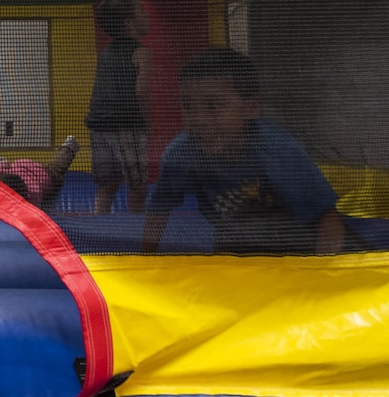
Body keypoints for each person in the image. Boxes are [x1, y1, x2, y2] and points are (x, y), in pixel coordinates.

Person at [141, 48, 347, 254]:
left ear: (252, 108)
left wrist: (323, 270)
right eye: (187, 107)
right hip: (234, 242)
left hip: (296, 244)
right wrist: (145, 261)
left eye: (213, 107)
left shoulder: (278, 150)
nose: (198, 120)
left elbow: (327, 219)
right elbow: (158, 211)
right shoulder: (181, 154)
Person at [85, 0, 152, 214]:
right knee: (138, 183)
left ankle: (99, 221)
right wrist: (147, 121)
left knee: (107, 182)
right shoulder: (140, 52)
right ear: (129, 23)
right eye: (141, 11)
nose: (146, 15)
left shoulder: (106, 52)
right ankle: (135, 226)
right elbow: (141, 90)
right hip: (126, 123)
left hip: (98, 124)